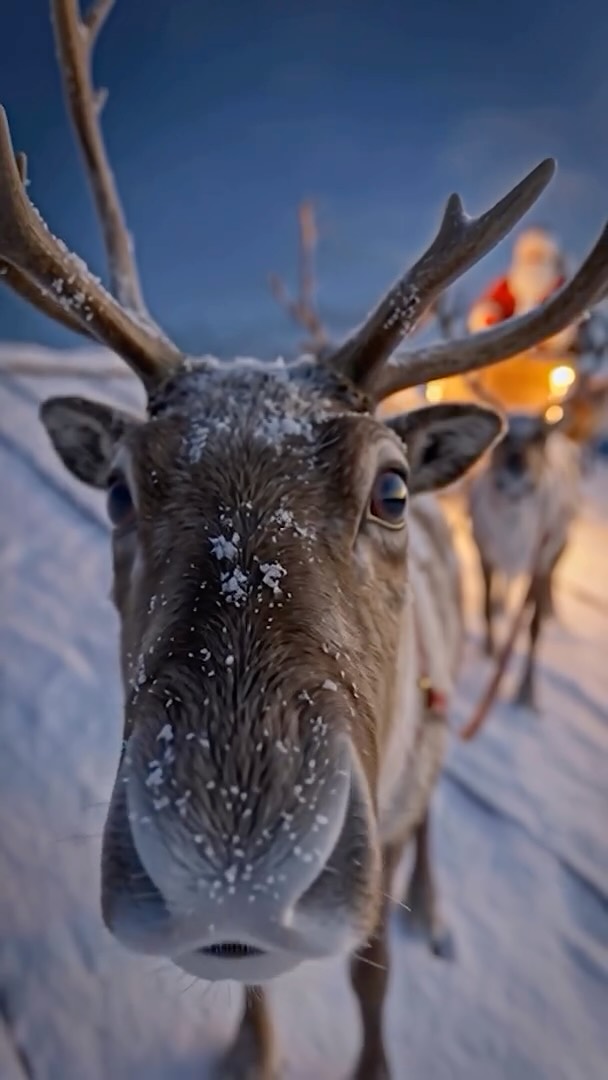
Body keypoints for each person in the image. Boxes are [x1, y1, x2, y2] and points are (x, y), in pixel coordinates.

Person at [467, 226, 578, 353]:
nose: (533, 262)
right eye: (529, 256)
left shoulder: (559, 287)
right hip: (507, 350)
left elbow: (570, 311)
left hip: (550, 356)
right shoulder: (507, 284)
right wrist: (487, 318)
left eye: (538, 256)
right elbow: (489, 308)